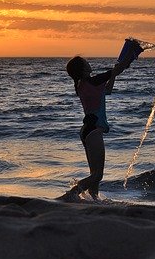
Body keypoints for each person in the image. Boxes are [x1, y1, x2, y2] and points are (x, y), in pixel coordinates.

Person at [59, 50, 140, 202]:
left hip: (86, 130)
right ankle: (72, 194)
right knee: (98, 175)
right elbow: (118, 69)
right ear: (83, 69)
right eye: (85, 62)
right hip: (94, 131)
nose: (88, 62)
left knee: (94, 174)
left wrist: (114, 73)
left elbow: (107, 90)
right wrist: (132, 52)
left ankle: (94, 199)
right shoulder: (93, 81)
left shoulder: (82, 85)